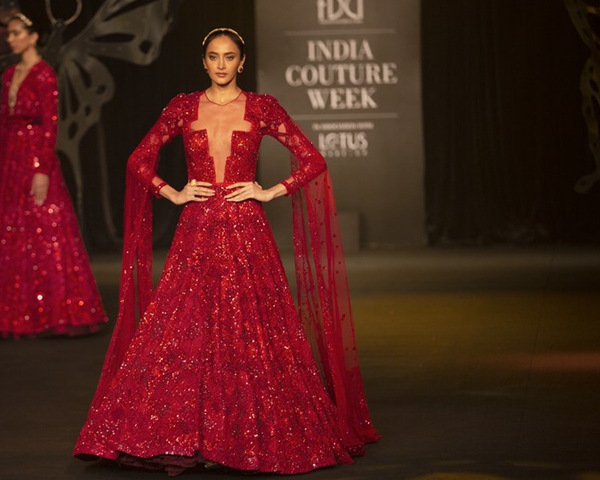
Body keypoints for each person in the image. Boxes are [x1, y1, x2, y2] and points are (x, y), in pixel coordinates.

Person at [73, 28, 379, 474]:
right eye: (214, 57)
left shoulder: (262, 108)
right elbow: (138, 160)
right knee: (184, 329)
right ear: (204, 62)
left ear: (242, 61)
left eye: (229, 57)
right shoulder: (183, 107)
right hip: (195, 231)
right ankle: (186, 432)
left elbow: (312, 159)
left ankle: (239, 434)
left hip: (246, 231)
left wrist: (270, 190)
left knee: (253, 330)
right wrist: (171, 192)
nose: (221, 64)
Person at [0, 12, 107, 338]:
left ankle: (50, 311)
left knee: (44, 231)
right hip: (10, 159)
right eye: (9, 34)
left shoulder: (45, 76)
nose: (11, 39)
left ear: (33, 37)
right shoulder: (10, 74)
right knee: (6, 232)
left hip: (34, 154)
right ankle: (7, 311)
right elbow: (4, 125)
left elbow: (50, 126)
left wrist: (42, 170)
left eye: (17, 33)